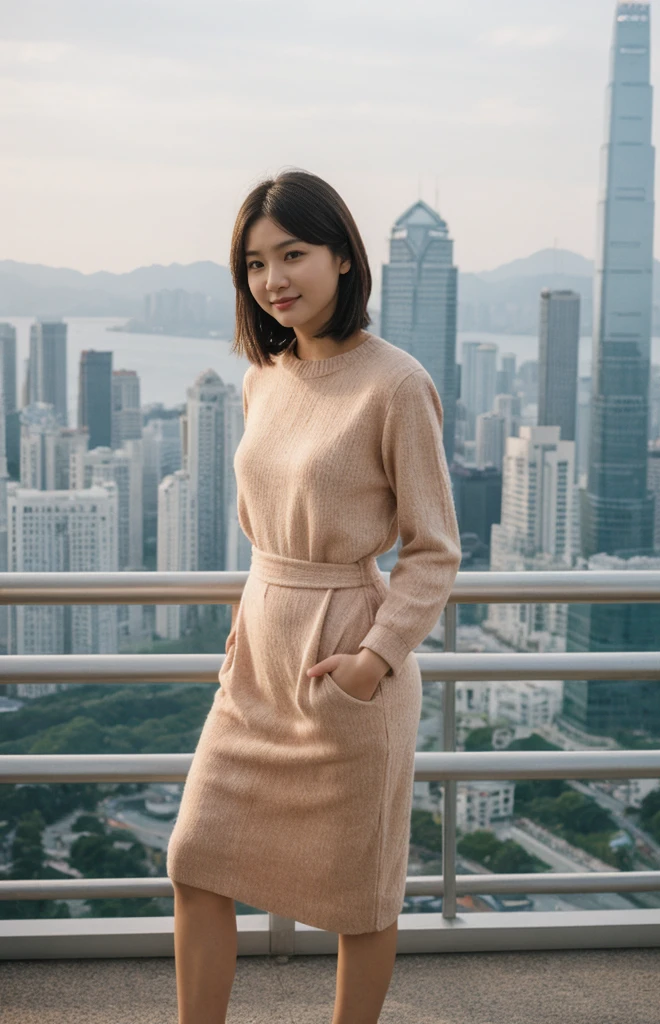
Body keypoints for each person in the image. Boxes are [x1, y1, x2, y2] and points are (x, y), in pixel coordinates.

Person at [165, 168, 462, 1024]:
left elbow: (434, 550)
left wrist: (373, 662)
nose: (273, 281)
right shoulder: (265, 378)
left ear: (341, 256)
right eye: (255, 265)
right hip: (258, 661)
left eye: (292, 254)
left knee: (356, 894)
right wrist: (240, 632)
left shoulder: (395, 384)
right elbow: (266, 534)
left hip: (343, 655)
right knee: (195, 859)